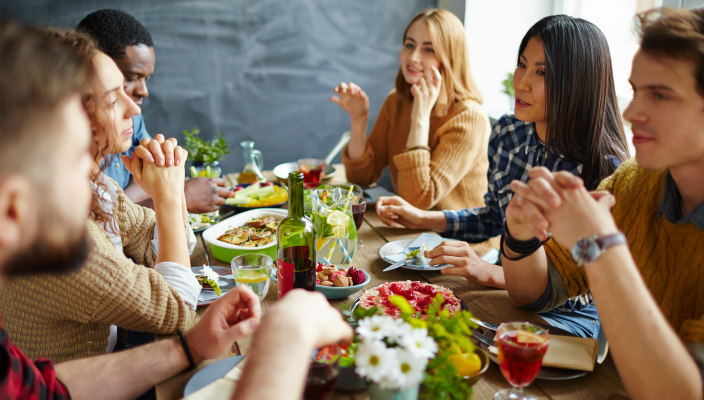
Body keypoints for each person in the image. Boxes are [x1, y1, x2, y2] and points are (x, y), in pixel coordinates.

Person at [0, 19, 352, 399]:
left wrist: (189, 348)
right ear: (14, 208)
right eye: (76, 159)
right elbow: (175, 309)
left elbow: (47, 388)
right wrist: (286, 335)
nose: (96, 175)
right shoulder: (72, 246)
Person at [376, 15, 629, 338]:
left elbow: (584, 287)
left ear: (578, 83)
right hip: (509, 297)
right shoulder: (511, 132)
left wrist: (489, 272)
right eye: (522, 64)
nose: (521, 82)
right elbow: (495, 218)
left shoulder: (604, 169)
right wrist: (423, 218)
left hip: (569, 321)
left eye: (541, 72)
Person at [500, 8, 704, 399]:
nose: (630, 113)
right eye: (636, 90)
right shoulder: (633, 183)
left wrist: (601, 245)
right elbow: (532, 293)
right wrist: (520, 233)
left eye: (659, 95)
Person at [0, 29, 202, 362]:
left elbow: (152, 240)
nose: (133, 110)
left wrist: (170, 188)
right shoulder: (62, 234)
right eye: (112, 99)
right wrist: (168, 193)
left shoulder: (93, 182)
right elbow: (176, 311)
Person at [332, 9, 491, 239]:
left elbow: (418, 200)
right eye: (409, 45)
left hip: (462, 246)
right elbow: (361, 178)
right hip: (411, 237)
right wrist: (359, 120)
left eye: (428, 49)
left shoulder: (469, 117)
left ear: (449, 58)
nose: (413, 57)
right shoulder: (397, 101)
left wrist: (420, 116)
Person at [77, 9, 230, 214]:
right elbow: (95, 223)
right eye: (131, 77)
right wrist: (176, 197)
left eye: (146, 79)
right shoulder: (68, 144)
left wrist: (152, 195)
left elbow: (150, 175)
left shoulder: (133, 117)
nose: (144, 92)